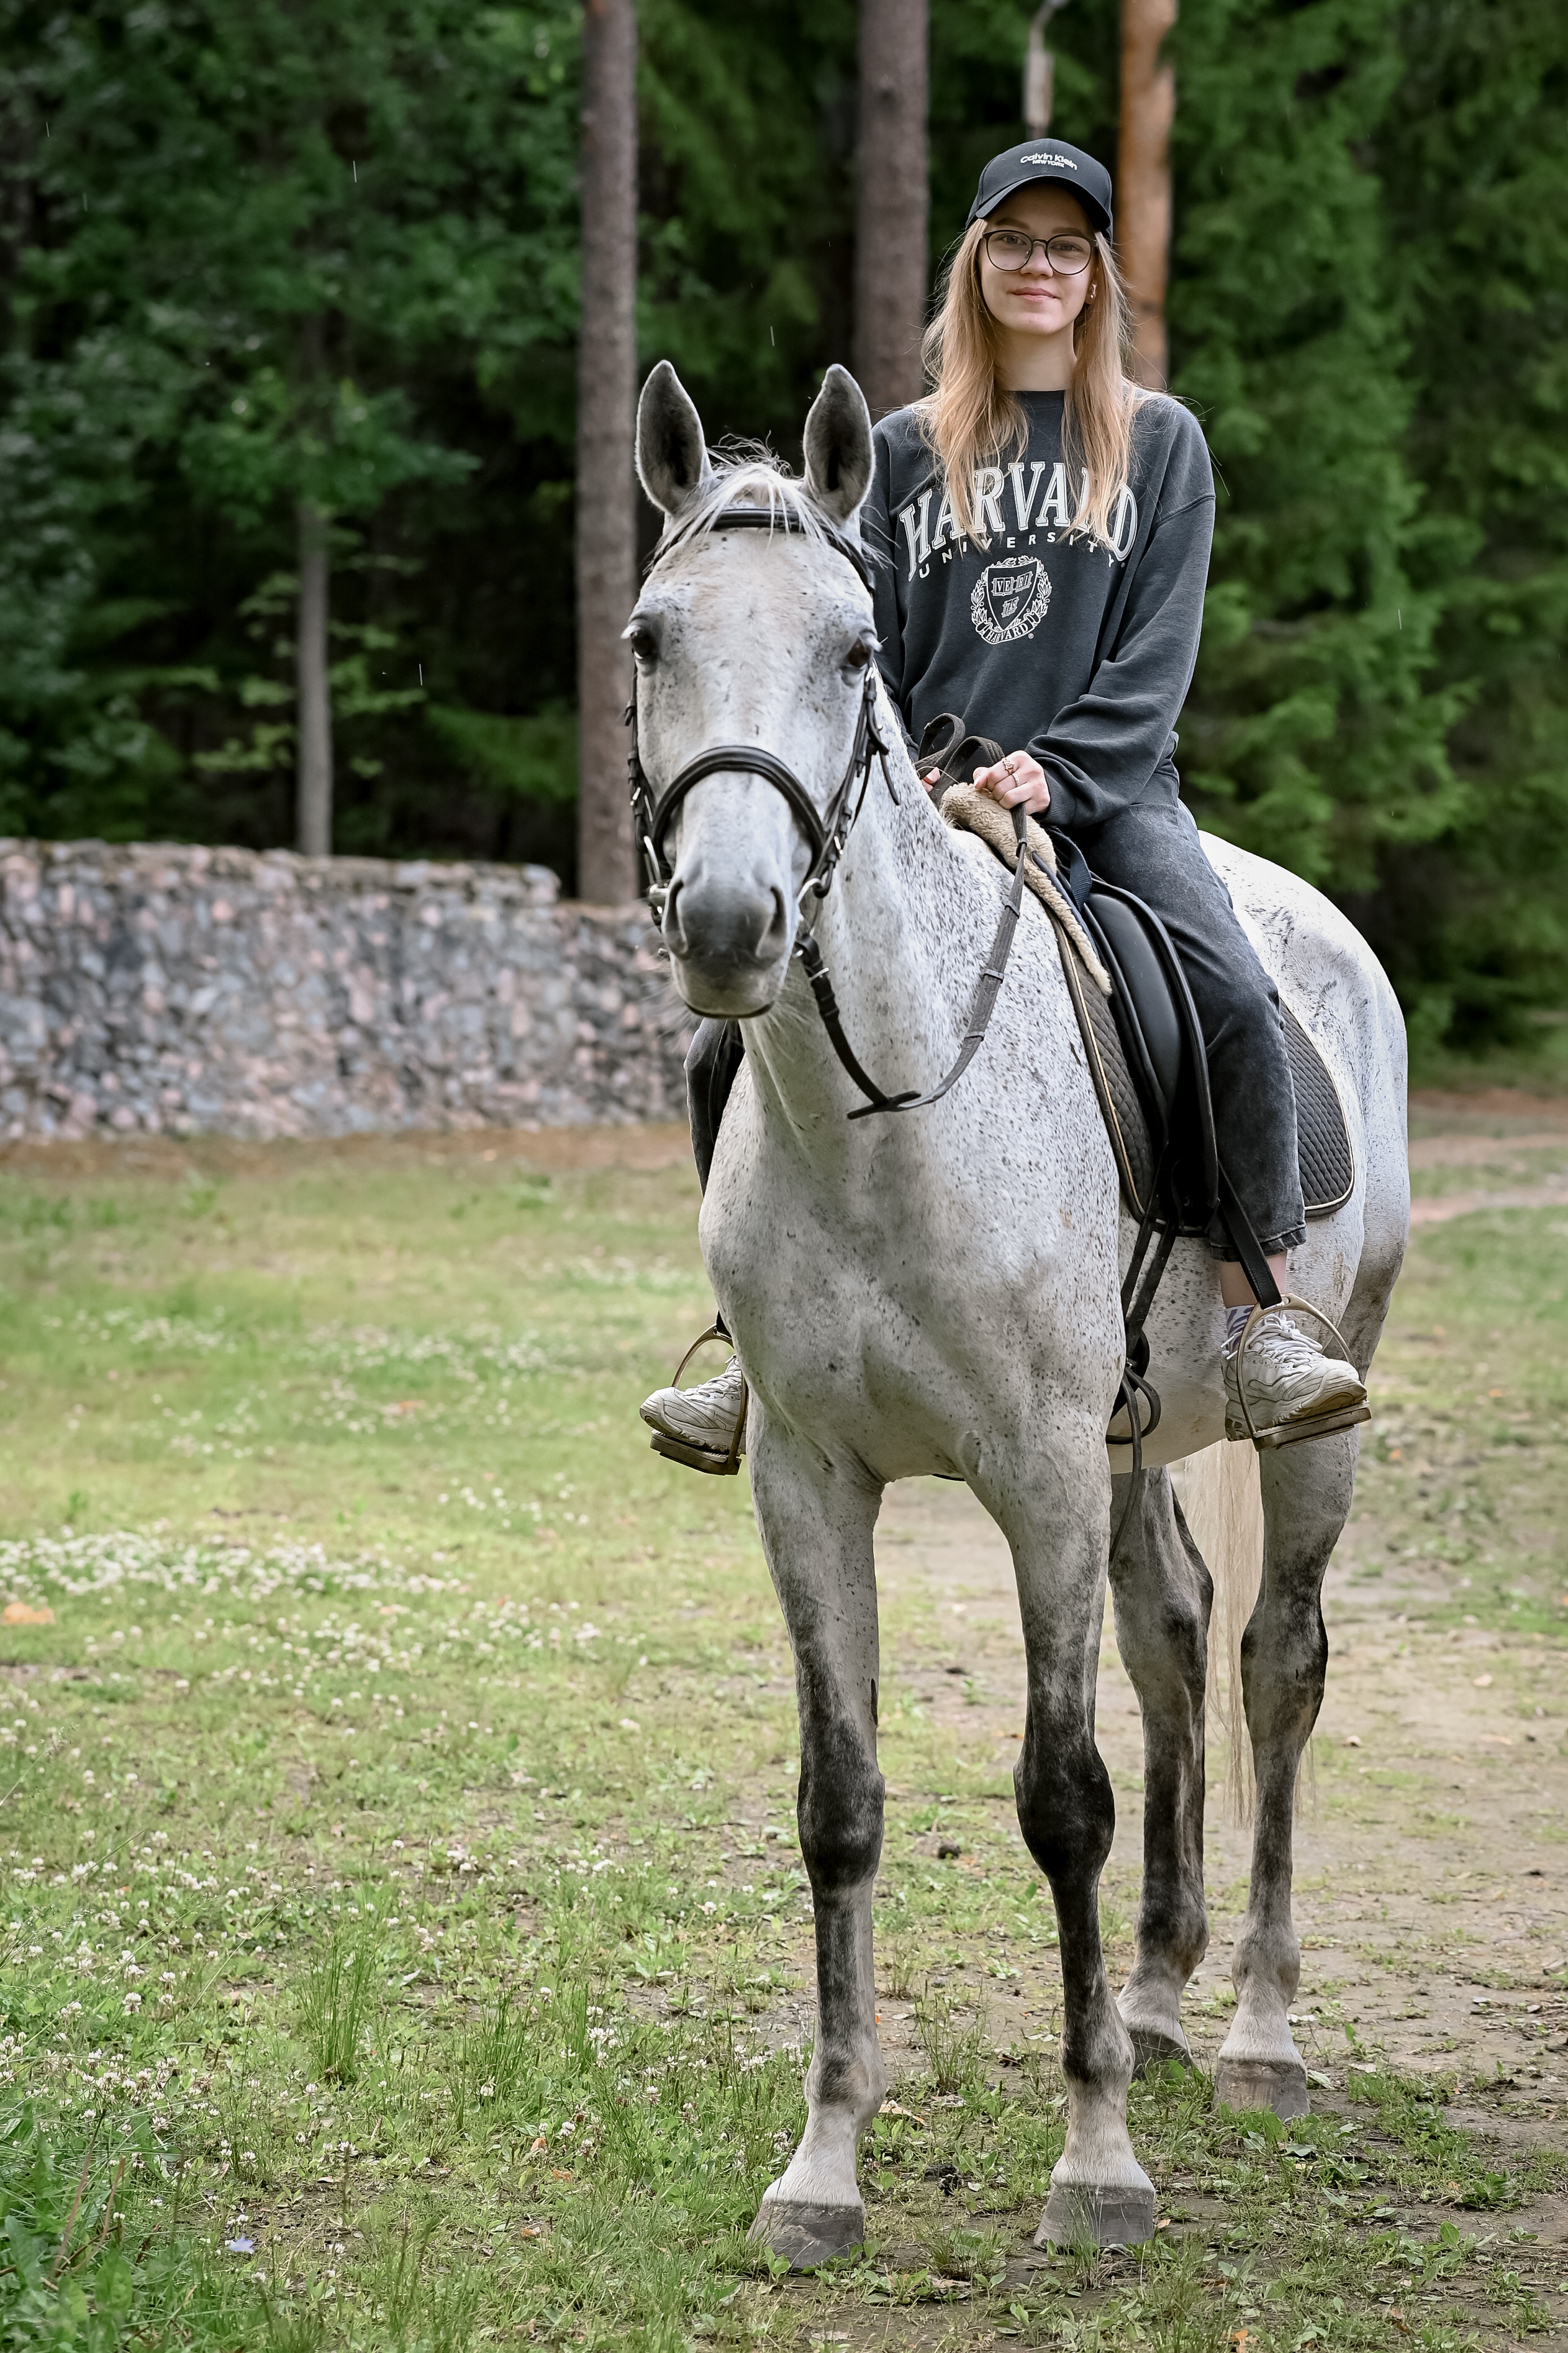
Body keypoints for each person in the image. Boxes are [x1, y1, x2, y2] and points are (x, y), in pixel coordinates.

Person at [640, 137, 1367, 1468]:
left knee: (1231, 995)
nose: (1040, 266)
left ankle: (1261, 1321)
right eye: (1014, 243)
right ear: (976, 262)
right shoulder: (908, 453)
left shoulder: (1158, 441)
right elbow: (868, 648)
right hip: (926, 797)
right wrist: (916, 774)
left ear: (1096, 275)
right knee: (722, 1037)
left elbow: (1157, 658)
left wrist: (1064, 769)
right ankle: (746, 1346)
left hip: (1111, 795)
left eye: (1066, 246)